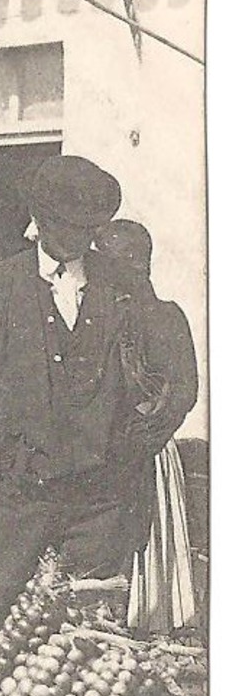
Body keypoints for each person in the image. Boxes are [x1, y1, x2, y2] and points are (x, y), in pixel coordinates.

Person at [0, 155, 141, 672]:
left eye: (88, 228)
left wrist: (123, 451)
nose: (78, 239)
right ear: (41, 222)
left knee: (88, 635)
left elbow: (160, 373)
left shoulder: (121, 289)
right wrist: (7, 460)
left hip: (95, 500)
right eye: (66, 226)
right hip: (11, 496)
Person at [93, 219, 200, 631]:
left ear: (134, 265)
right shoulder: (100, 317)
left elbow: (181, 392)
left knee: (143, 545)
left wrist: (138, 439)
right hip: (104, 454)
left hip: (149, 455)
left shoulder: (164, 318)